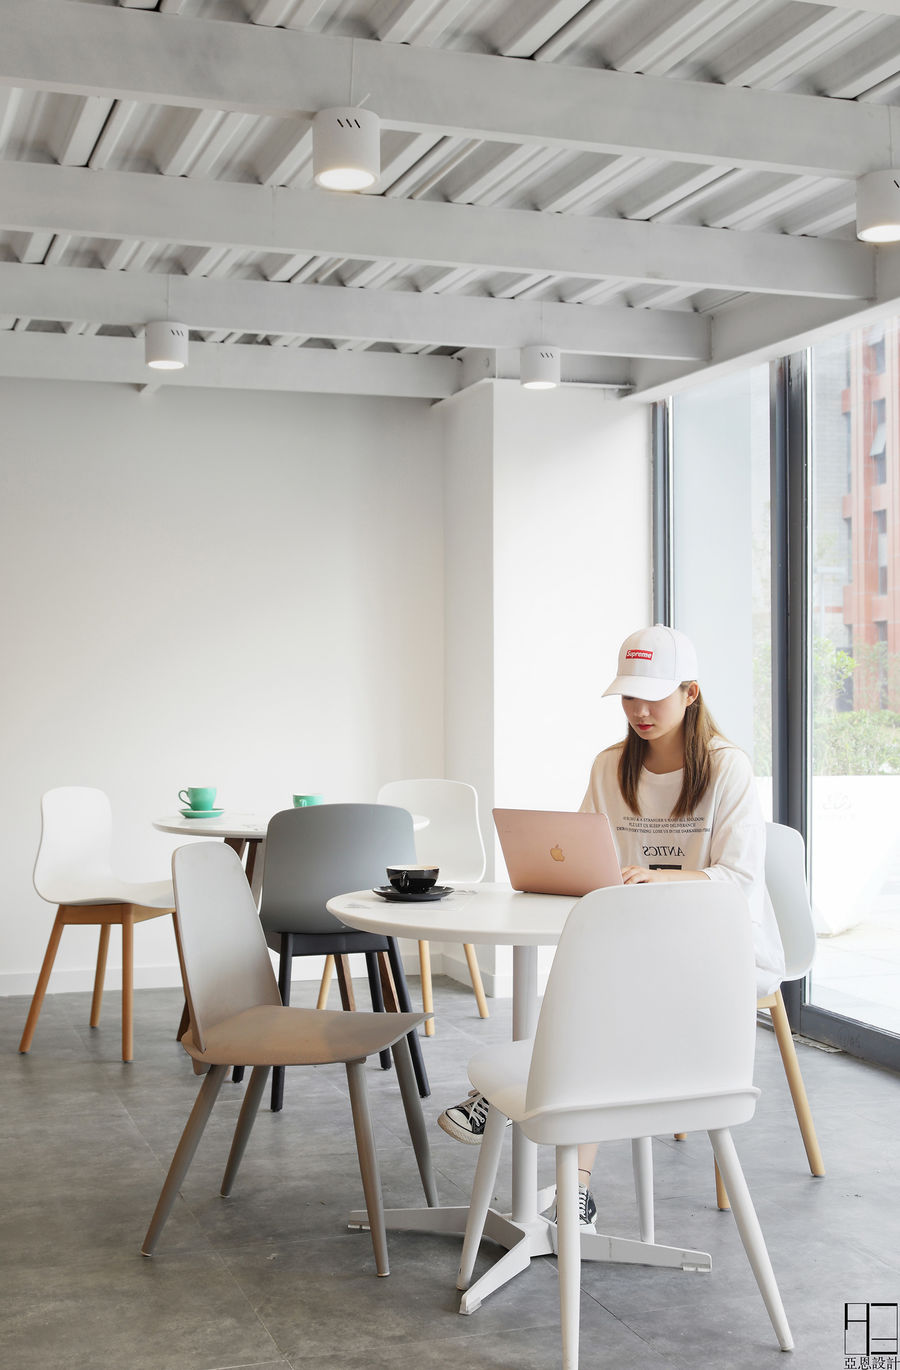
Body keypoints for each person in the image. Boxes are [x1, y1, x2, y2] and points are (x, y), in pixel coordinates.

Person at [437, 623, 786, 1232]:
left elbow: (741, 882)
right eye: (629, 696)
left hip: (716, 949)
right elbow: (581, 853)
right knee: (596, 979)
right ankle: (573, 1188)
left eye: (653, 695)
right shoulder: (609, 767)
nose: (640, 710)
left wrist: (660, 877)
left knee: (597, 992)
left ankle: (506, 1101)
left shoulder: (728, 770)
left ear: (691, 693)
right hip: (636, 944)